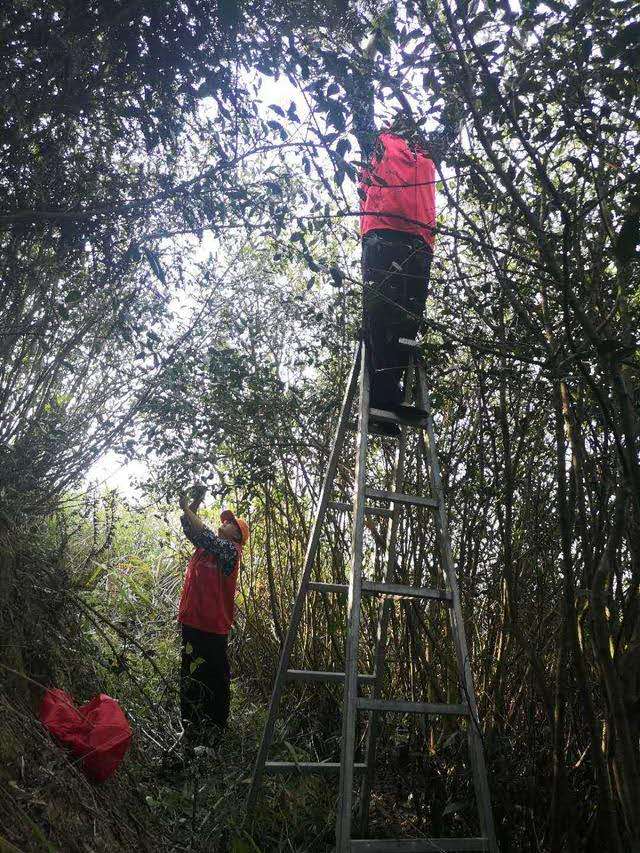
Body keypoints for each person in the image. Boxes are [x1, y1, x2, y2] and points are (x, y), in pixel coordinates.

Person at [348, 41, 445, 435]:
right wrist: (365, 63)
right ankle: (376, 403)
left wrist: (456, 90)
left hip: (419, 241)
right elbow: (359, 110)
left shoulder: (426, 152)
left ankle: (391, 398)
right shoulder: (379, 143)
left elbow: (452, 130)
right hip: (384, 234)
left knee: (408, 321)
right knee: (382, 315)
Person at [176, 487, 250, 749]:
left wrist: (187, 508)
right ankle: (190, 726)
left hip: (214, 628)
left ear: (238, 536)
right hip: (193, 622)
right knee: (189, 674)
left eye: (231, 523)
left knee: (215, 678)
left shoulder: (230, 552)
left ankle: (216, 730)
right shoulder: (207, 548)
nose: (225, 523)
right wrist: (192, 504)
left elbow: (205, 534)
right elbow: (192, 530)